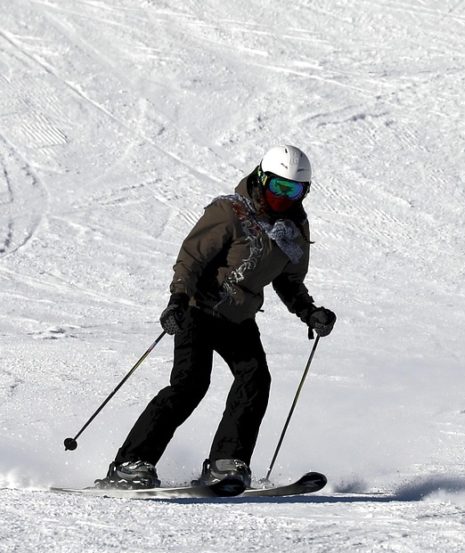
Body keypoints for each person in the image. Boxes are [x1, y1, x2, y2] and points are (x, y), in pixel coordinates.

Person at [97, 144, 337, 490]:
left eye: (294, 190)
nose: (284, 197)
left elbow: (289, 281)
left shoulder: (294, 227)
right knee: (190, 385)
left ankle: (227, 462)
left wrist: (309, 312)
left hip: (238, 318)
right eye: (277, 186)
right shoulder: (230, 212)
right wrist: (177, 300)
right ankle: (131, 463)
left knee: (255, 380)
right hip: (198, 309)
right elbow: (191, 258)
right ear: (261, 178)